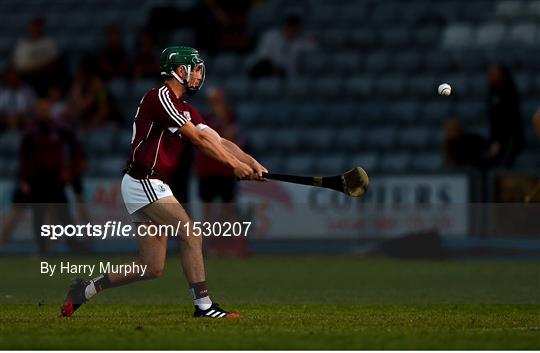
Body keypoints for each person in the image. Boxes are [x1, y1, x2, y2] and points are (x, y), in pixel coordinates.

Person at [61, 46, 267, 319]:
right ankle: (204, 307)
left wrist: (250, 161)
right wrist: (235, 166)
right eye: (194, 69)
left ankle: (85, 290)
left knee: (151, 267)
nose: (197, 75)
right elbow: (197, 140)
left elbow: (217, 140)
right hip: (143, 180)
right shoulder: (160, 97)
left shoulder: (184, 107)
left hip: (148, 184)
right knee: (191, 234)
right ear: (179, 71)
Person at [17, 98, 86, 256]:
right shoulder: (30, 132)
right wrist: (24, 179)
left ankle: (74, 246)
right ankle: (42, 250)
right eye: (41, 110)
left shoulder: (60, 129)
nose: (43, 113)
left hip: (56, 178)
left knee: (64, 214)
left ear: (50, 111)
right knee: (38, 216)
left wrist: (72, 170)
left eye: (46, 110)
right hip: (36, 179)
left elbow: (77, 149)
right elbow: (23, 158)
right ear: (36, 111)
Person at [195, 88, 250, 257]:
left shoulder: (231, 118)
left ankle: (236, 246)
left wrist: (223, 119)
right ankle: (206, 248)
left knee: (229, 211)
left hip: (226, 170)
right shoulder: (203, 119)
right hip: (207, 170)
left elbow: (232, 140)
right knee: (208, 212)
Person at [249, 14, 315, 78]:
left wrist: (305, 33)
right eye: (290, 28)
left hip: (286, 72)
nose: (291, 32)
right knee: (260, 67)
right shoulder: (271, 35)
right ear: (285, 27)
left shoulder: (299, 42)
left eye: (295, 30)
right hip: (269, 67)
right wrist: (274, 66)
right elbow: (263, 54)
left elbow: (313, 47)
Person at [486, 63, 524, 167]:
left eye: (494, 73)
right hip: (497, 138)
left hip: (509, 138)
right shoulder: (492, 92)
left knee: (503, 167)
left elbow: (507, 119)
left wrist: (498, 141)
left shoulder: (509, 92)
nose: (491, 76)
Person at [12, 17, 59, 95]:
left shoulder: (48, 42)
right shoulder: (22, 42)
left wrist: (35, 68)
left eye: (37, 27)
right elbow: (15, 61)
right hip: (22, 76)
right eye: (33, 27)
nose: (34, 29)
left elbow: (53, 62)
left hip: (41, 76)